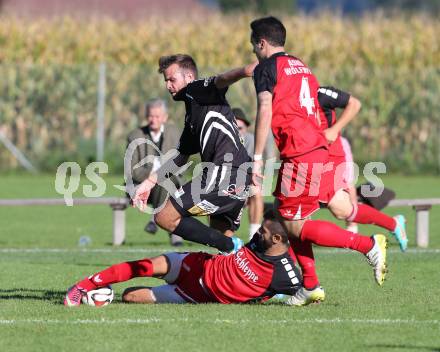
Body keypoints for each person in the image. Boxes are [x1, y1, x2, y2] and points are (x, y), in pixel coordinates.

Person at [249, 16, 388, 306]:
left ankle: (367, 245)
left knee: (293, 223)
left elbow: (265, 108)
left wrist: (258, 157)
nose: (253, 50)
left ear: (261, 42)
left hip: (301, 152)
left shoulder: (266, 68)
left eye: (253, 44)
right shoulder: (303, 67)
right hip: (314, 150)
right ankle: (309, 285)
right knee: (286, 218)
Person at [132, 54, 257, 253]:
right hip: (240, 174)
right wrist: (149, 182)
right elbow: (181, 156)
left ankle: (236, 248)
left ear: (189, 77)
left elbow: (221, 80)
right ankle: (252, 271)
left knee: (163, 217)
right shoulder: (193, 112)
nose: (167, 85)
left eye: (172, 79)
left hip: (222, 172)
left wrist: (244, 71)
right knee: (223, 251)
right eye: (165, 80)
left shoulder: (196, 88)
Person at [64, 218, 302, 306]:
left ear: (278, 239)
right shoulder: (256, 243)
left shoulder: (285, 274)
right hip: (195, 264)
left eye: (263, 232)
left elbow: (307, 292)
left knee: (129, 296)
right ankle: (82, 286)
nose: (257, 233)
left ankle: (102, 293)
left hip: (194, 294)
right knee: (144, 266)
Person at [316, 86, 407, 250]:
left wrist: (333, 131)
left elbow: (354, 104)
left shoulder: (318, 94)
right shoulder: (287, 98)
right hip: (307, 159)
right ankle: (390, 227)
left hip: (325, 159)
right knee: (292, 215)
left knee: (294, 214)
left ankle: (370, 239)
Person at [127, 98, 183, 246]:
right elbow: (133, 171)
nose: (153, 120)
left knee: (166, 181)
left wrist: (162, 173)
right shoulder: (135, 136)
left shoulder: (175, 133)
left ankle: (154, 219)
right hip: (141, 186)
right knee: (163, 180)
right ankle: (174, 234)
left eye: (157, 116)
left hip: (170, 183)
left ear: (165, 117)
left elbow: (182, 163)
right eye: (150, 116)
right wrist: (153, 172)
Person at [232, 107, 263, 240]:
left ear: (246, 128)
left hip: (244, 184)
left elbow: (255, 171)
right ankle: (219, 237)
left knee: (256, 191)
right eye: (235, 128)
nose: (238, 132)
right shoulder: (221, 141)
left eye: (241, 128)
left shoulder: (253, 141)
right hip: (225, 185)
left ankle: (253, 235)